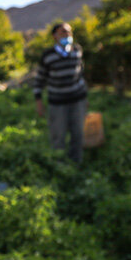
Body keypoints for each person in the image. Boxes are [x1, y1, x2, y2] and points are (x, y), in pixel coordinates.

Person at [33, 22, 88, 163]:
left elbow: (80, 75)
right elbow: (39, 80)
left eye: (69, 32)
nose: (67, 34)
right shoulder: (48, 55)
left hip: (77, 100)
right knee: (58, 135)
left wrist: (85, 98)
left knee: (78, 134)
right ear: (54, 36)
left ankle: (76, 164)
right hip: (57, 103)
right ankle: (59, 165)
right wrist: (38, 101)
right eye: (63, 32)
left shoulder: (77, 50)